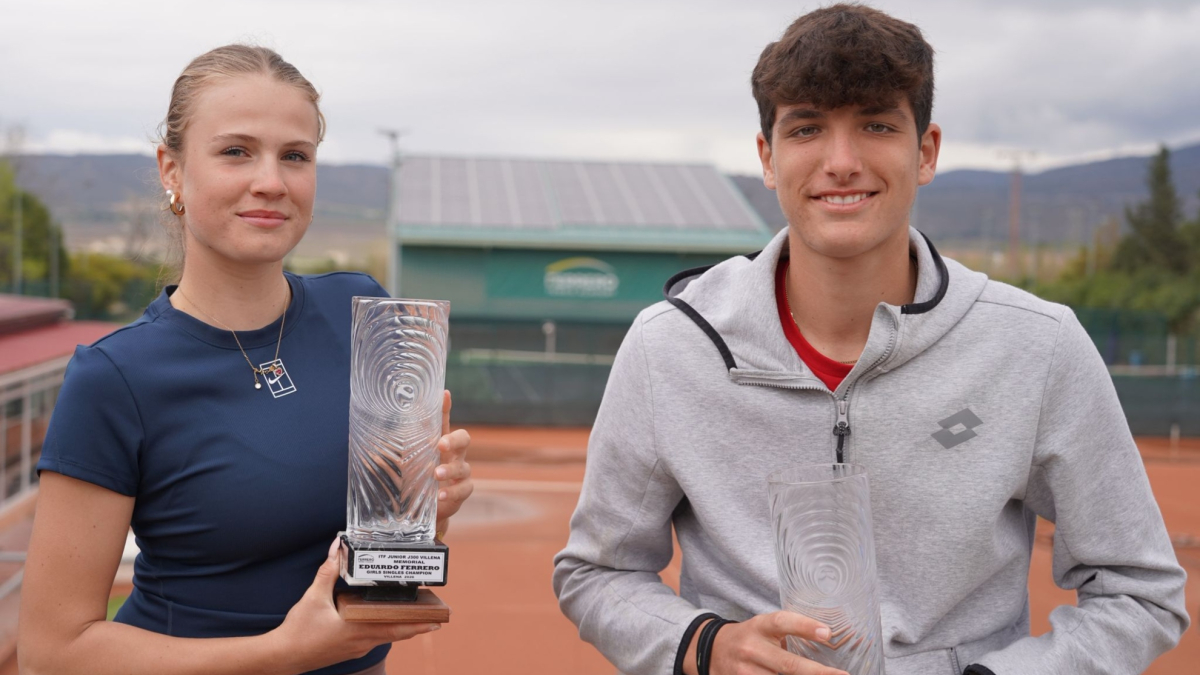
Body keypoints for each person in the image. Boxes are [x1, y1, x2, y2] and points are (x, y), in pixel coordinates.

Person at [553, 5, 1189, 675]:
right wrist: (704, 645)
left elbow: (1139, 593)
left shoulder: (1039, 345)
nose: (842, 162)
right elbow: (597, 571)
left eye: (877, 125)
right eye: (807, 128)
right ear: (768, 157)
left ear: (927, 151)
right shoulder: (670, 347)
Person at [18, 45, 473, 675]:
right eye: (236, 151)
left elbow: (382, 569)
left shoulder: (363, 309)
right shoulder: (115, 376)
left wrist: (427, 512)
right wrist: (285, 653)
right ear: (171, 170)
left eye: (295, 156)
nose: (272, 181)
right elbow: (52, 651)